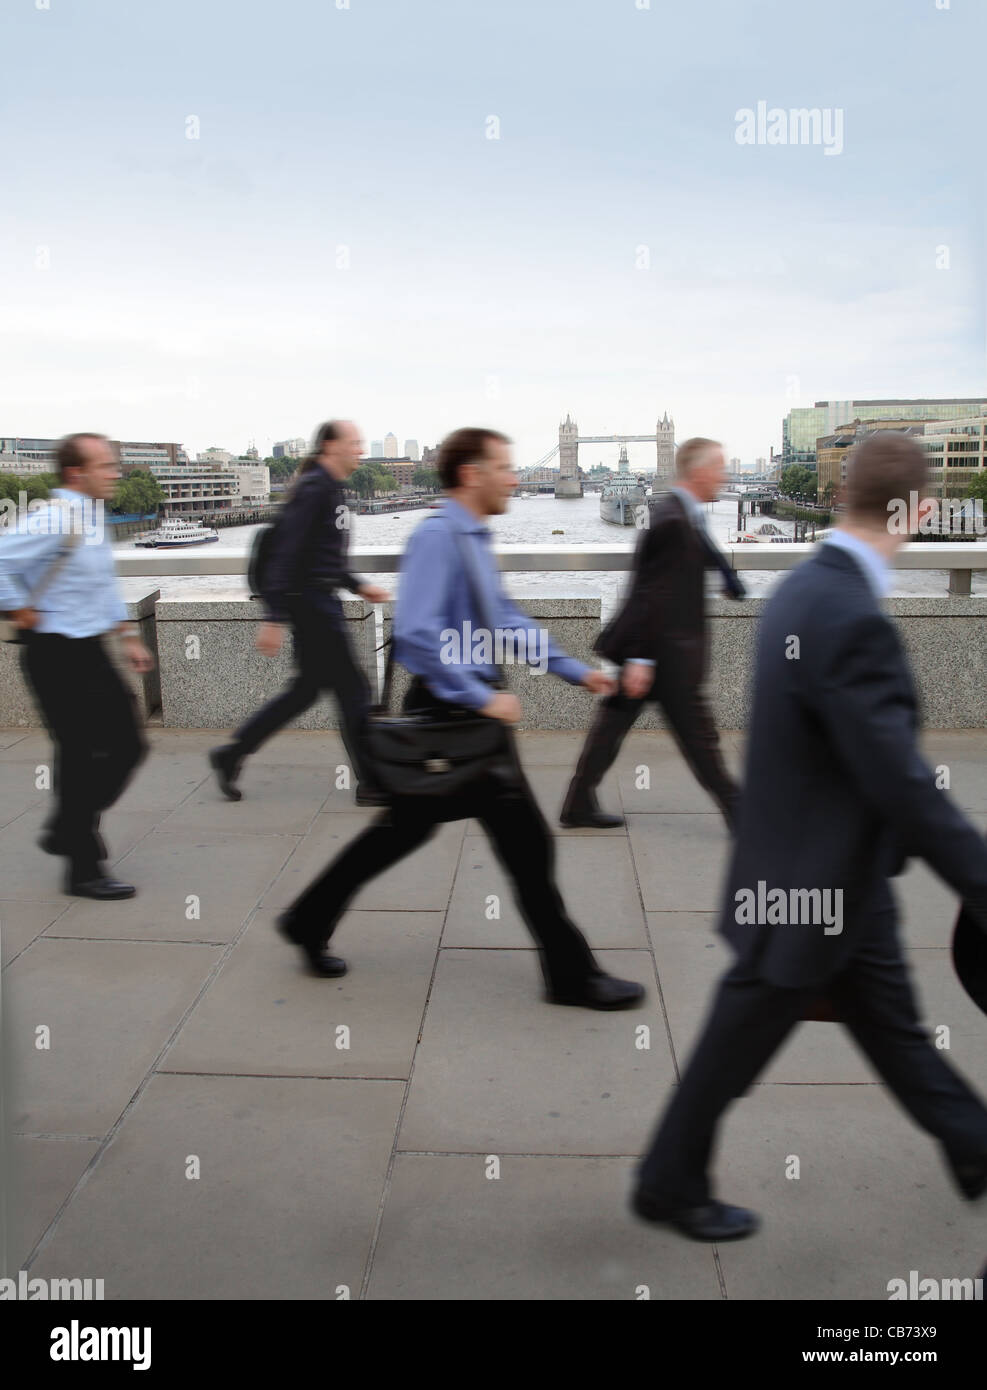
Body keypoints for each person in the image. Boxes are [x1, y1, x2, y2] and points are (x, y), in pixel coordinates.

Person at [631, 431, 987, 1241]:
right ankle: (665, 1180)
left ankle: (971, 1144)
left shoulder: (802, 588)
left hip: (825, 876)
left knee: (891, 1032)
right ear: (918, 510)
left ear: (840, 495)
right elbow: (905, 786)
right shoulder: (850, 614)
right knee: (744, 1037)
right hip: (812, 888)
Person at [276, 426, 645, 1010]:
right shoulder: (438, 537)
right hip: (456, 711)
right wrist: (482, 699)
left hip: (464, 709)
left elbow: (503, 620)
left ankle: (308, 917)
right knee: (527, 851)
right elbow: (418, 634)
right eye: (505, 467)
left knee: (407, 830)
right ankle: (571, 976)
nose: (517, 479)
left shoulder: (470, 536)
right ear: (472, 474)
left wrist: (577, 671)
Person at [0, 433, 154, 899]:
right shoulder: (52, 518)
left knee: (115, 747)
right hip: (54, 652)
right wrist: (19, 609)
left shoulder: (91, 518)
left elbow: (101, 585)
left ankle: (67, 832)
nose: (114, 474)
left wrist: (127, 636)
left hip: (87, 649)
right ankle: (79, 859)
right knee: (93, 750)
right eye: (104, 466)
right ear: (75, 474)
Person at [561, 437, 743, 830]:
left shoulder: (680, 512)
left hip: (656, 648)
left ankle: (578, 802)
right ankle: (739, 810)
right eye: (719, 468)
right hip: (662, 652)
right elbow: (651, 590)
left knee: (612, 727)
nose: (724, 476)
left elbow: (693, 552)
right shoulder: (673, 518)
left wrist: (728, 577)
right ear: (699, 472)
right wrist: (642, 659)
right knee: (699, 737)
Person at [209, 421, 389, 805]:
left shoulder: (332, 489)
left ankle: (231, 753)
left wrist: (360, 586)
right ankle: (371, 783)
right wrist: (273, 617)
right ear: (330, 446)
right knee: (353, 692)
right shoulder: (314, 489)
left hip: (319, 602)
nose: (359, 450)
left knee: (305, 692)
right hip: (313, 607)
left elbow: (321, 556)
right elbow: (287, 556)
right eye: (353, 443)